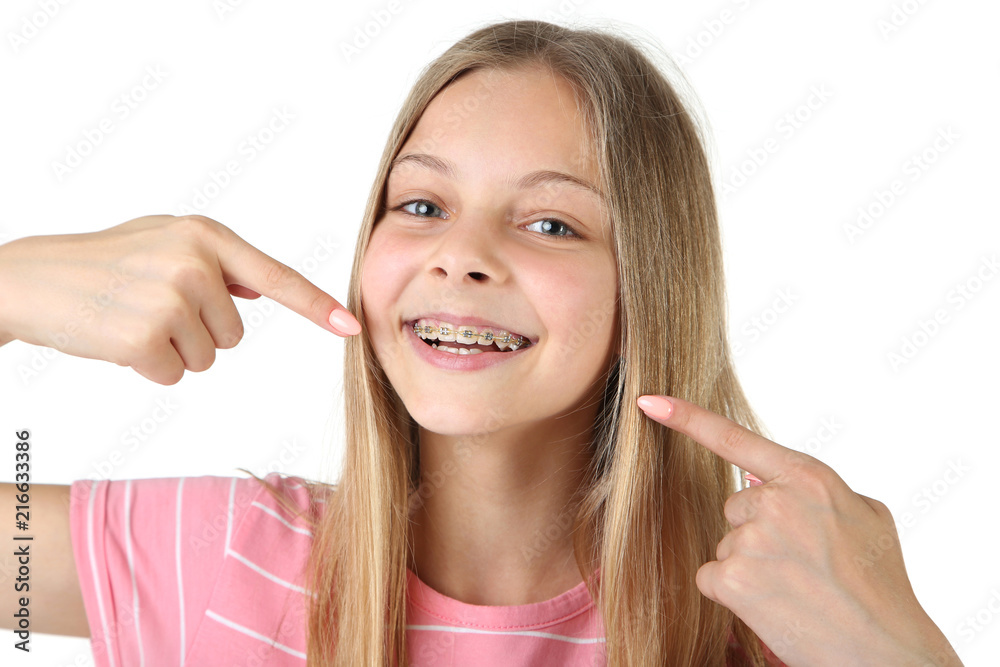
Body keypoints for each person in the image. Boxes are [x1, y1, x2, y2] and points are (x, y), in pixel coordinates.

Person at [0, 18, 963, 667]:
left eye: (550, 223)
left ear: (651, 288)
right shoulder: (226, 559)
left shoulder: (776, 616)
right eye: (422, 204)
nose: (459, 254)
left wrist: (905, 656)